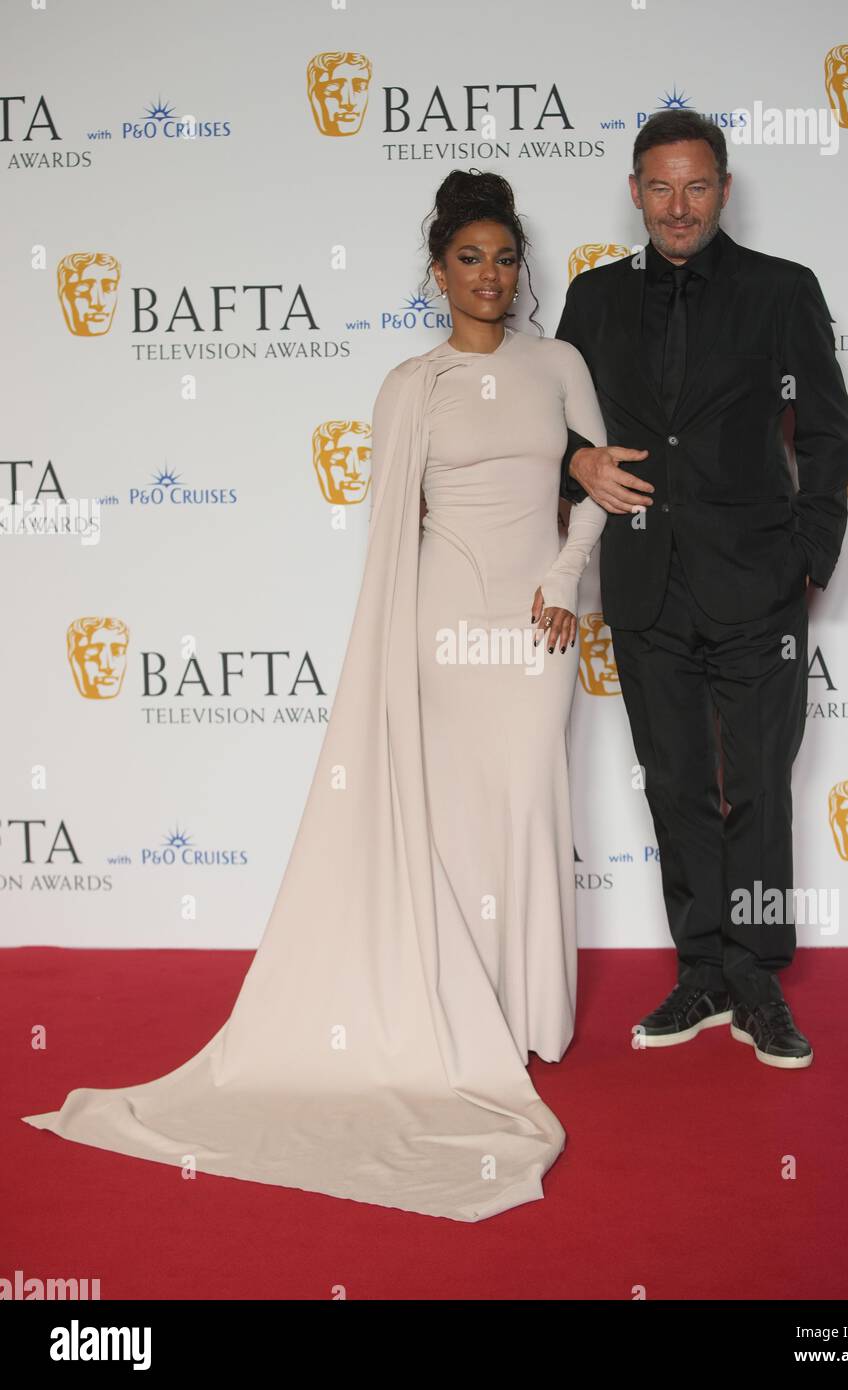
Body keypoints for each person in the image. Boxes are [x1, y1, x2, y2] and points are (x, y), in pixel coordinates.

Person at [22, 171, 608, 1220]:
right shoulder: (407, 384)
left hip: (535, 623)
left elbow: (597, 484)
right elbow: (394, 535)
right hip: (437, 619)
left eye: (504, 256)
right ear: (437, 271)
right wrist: (384, 654)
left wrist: (563, 583)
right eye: (468, 258)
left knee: (526, 795)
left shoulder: (558, 362)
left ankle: (529, 1014)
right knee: (448, 817)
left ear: (522, 268)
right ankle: (451, 1014)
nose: (489, 275)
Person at [556, 110, 848, 1069]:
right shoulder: (593, 299)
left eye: (695, 187)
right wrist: (578, 463)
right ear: (634, 191)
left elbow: (825, 433)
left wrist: (806, 554)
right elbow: (551, 428)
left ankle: (756, 978)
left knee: (758, 786)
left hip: (756, 585)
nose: (676, 207)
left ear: (722, 190)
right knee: (678, 783)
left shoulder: (782, 291)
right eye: (658, 187)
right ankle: (698, 971)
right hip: (645, 585)